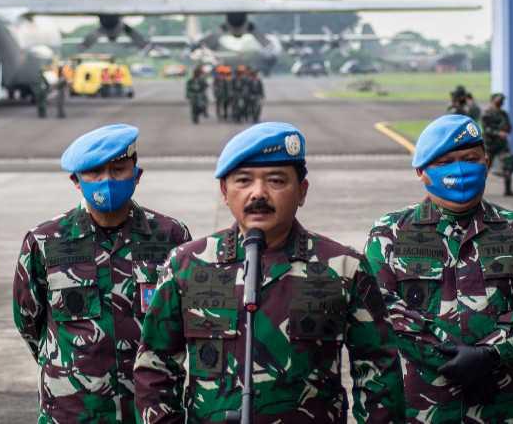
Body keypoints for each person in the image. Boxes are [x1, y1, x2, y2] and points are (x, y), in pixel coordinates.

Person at [134, 122, 404, 423]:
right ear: (225, 191)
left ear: (301, 191)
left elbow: (378, 371)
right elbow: (154, 367)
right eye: (243, 181)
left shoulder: (343, 268)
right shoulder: (187, 265)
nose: (258, 194)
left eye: (276, 181)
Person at [366, 114, 513, 422]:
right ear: (422, 172)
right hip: (422, 409)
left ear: (486, 162)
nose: (460, 169)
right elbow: (383, 309)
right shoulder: (390, 233)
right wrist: (445, 355)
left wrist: (491, 353)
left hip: (503, 408)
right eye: (445, 162)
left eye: (470, 159)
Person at [14, 124, 191, 423]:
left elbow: (185, 322)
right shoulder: (45, 241)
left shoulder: (171, 236)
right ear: (76, 180)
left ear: (137, 174)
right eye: (94, 173)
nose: (106, 181)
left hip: (151, 411)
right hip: (73, 411)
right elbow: (30, 323)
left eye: (118, 169)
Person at [482, 93, 513, 196]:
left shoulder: (503, 113)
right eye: (499, 100)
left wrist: (507, 129)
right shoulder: (487, 113)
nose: (501, 102)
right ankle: (476, 192)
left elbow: (509, 126)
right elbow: (486, 129)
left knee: (508, 165)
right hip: (489, 145)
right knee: (483, 169)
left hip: (502, 145)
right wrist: (498, 133)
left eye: (502, 101)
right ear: (493, 100)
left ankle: (508, 190)